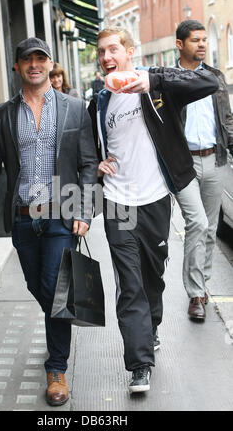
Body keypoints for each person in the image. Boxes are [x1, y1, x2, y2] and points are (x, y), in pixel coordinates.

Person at [88, 27, 218, 393]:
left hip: (155, 201)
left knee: (151, 279)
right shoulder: (98, 103)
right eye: (101, 51)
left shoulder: (157, 88)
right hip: (118, 204)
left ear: (129, 52)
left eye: (113, 48)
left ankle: (152, 326)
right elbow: (89, 150)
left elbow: (209, 80)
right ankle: (139, 364)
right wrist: (97, 164)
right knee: (129, 286)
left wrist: (152, 78)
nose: (106, 56)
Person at [0, 37, 98, 406]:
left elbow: (88, 164)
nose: (34, 64)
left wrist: (85, 209)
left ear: (50, 63)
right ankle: (65, 315)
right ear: (16, 66)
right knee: (41, 287)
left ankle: (56, 368)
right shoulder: (2, 113)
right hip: (24, 219)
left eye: (40, 58)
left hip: (61, 214)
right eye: (26, 59)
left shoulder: (76, 108)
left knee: (53, 286)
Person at [175, 20, 233, 321]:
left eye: (203, 40)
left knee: (210, 229)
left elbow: (227, 119)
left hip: (215, 159)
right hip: (184, 164)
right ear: (180, 44)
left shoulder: (215, 77)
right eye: (195, 40)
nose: (201, 44)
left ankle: (202, 284)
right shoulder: (170, 79)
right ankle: (195, 293)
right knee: (196, 224)